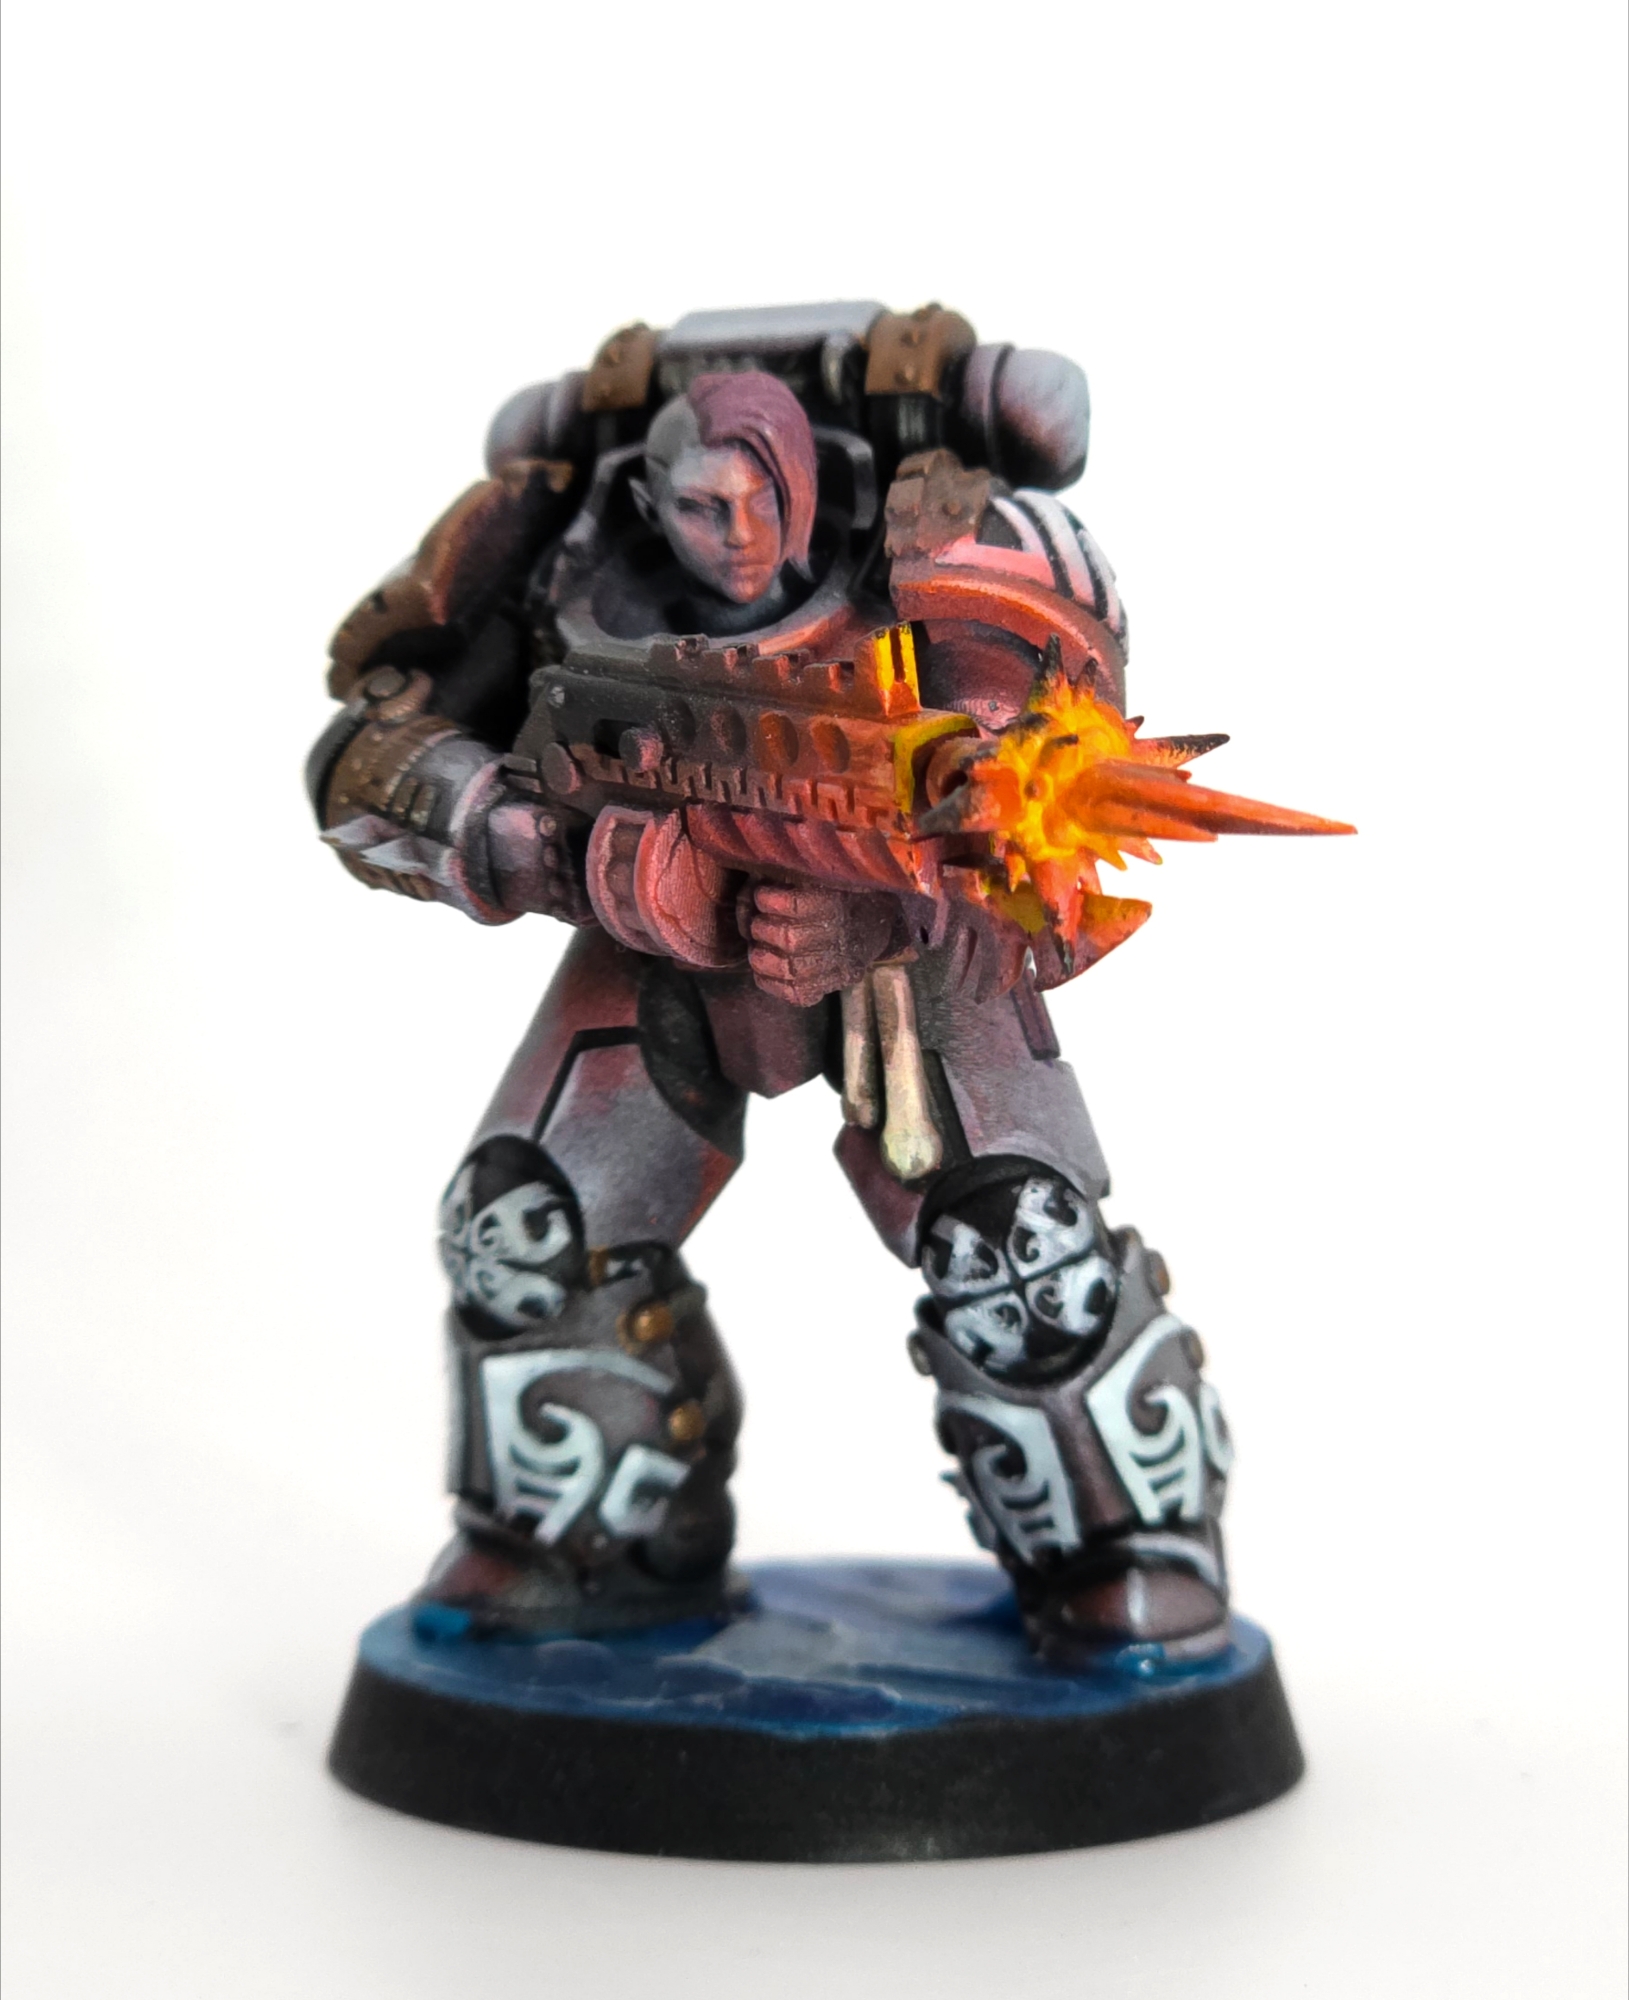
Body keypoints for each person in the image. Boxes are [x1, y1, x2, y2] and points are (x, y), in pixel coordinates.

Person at [307, 304, 1234, 1666]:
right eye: (700, 507)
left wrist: (897, 895)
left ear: (817, 484)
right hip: (650, 936)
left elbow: (1044, 796)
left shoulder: (949, 553)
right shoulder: (568, 569)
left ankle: (1128, 1548)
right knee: (524, 1229)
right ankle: (589, 1535)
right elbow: (368, 745)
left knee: (1019, 1257)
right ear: (648, 499)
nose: (736, 535)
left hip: (901, 950)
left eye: (765, 502)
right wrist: (514, 837)